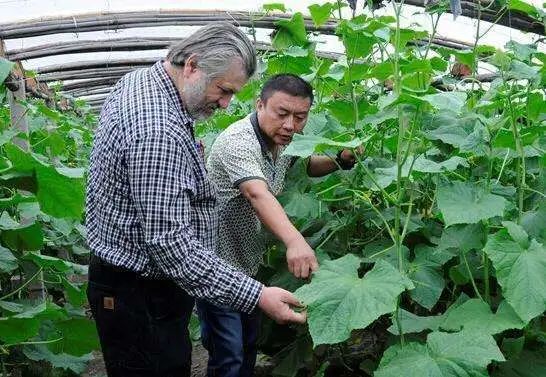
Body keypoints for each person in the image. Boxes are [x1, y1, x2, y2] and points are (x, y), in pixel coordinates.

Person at [85, 24, 306, 377]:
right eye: (223, 89)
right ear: (191, 64)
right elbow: (171, 246)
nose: (226, 103)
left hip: (130, 281)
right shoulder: (158, 131)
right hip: (140, 292)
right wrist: (257, 296)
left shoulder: (143, 82)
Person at [197, 74, 358, 377]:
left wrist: (341, 159)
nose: (290, 125)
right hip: (215, 264)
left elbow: (306, 164)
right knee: (227, 351)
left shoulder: (282, 141)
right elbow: (256, 192)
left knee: (246, 343)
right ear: (260, 104)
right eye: (282, 114)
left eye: (300, 117)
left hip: (247, 261)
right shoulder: (238, 142)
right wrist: (295, 241)